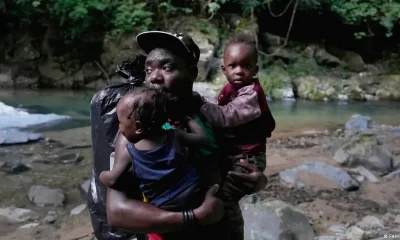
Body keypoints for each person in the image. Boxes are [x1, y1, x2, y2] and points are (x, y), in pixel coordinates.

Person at [94, 31, 268, 240]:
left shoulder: (212, 118)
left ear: (192, 73)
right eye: (149, 70)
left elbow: (231, 171)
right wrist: (193, 217)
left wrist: (257, 182)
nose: (154, 77)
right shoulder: (139, 133)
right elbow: (118, 213)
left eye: (167, 68)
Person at [99, 86, 214, 239]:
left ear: (138, 127)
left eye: (119, 123)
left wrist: (102, 174)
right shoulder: (175, 135)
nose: (119, 128)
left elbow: (113, 179)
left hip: (165, 205)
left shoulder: (130, 151)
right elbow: (203, 140)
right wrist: (188, 119)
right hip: (195, 192)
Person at [198, 33, 276, 203]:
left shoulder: (251, 94)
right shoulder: (229, 88)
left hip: (248, 155)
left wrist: (199, 103)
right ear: (224, 70)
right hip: (234, 150)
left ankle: (231, 225)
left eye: (246, 66)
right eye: (233, 66)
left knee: (227, 195)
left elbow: (225, 115)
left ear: (255, 70)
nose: (239, 71)